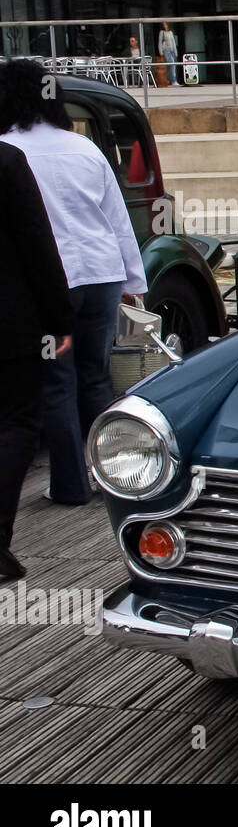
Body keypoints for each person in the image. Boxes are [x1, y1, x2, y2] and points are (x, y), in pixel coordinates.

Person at [0, 59, 147, 506]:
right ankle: (115, 476)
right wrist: (133, 279)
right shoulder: (84, 148)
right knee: (96, 377)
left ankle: (69, 484)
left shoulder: (6, 149)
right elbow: (118, 220)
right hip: (102, 274)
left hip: (50, 281)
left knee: (55, 384)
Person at [0, 142, 72, 581]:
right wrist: (58, 318)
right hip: (9, 322)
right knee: (15, 423)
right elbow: (36, 243)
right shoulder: (7, 161)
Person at [158, 21, 178, 87]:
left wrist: (175, 52)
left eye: (166, 24)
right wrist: (161, 53)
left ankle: (170, 80)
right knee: (172, 64)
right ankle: (173, 81)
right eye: (164, 24)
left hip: (172, 50)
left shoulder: (170, 32)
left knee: (172, 66)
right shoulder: (162, 32)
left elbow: (173, 42)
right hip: (166, 50)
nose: (165, 25)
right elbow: (160, 43)